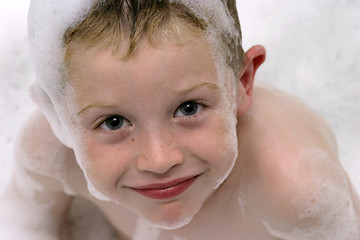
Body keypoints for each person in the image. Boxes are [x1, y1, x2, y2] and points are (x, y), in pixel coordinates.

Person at [0, 0, 359, 239]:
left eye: (189, 108)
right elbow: (23, 225)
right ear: (58, 116)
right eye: (113, 122)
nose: (159, 160)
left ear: (241, 84)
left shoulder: (295, 192)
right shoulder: (50, 153)